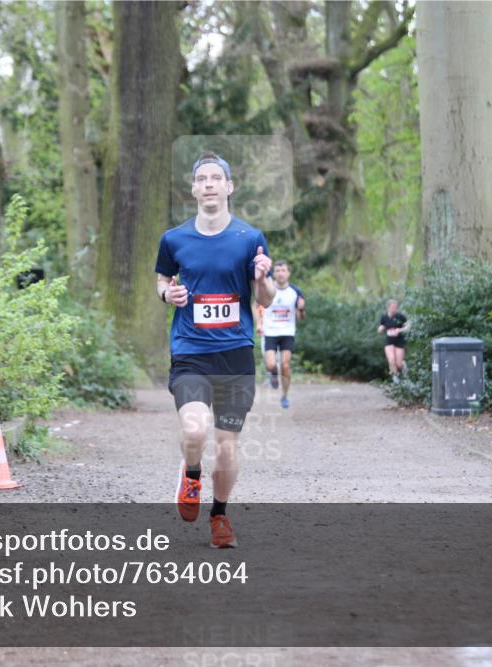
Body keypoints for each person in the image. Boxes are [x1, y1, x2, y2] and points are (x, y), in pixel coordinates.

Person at [155, 152, 275, 548]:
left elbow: (267, 297)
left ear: (228, 187)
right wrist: (167, 293)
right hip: (190, 351)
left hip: (235, 354)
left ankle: (220, 517)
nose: (208, 184)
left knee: (226, 445)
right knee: (195, 429)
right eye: (201, 178)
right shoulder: (174, 240)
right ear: (193, 189)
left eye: (215, 178)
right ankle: (191, 474)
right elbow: (161, 281)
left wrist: (262, 279)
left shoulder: (250, 238)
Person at [254, 260, 305, 409]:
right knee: (270, 365)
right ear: (273, 273)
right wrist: (259, 323)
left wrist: (301, 310)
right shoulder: (268, 288)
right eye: (277, 271)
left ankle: (285, 396)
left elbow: (301, 317)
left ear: (288, 273)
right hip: (270, 331)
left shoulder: (295, 292)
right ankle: (273, 373)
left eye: (283, 270)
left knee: (285, 364)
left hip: (287, 332)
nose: (281, 273)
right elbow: (257, 306)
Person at [378, 299, 409, 382]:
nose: (394, 309)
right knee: (391, 360)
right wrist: (381, 329)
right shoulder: (384, 317)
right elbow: (380, 329)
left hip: (399, 341)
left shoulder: (400, 317)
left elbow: (408, 327)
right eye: (392, 307)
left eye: (395, 307)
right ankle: (395, 379)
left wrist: (399, 330)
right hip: (389, 341)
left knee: (398, 363)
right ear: (388, 307)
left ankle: (403, 365)